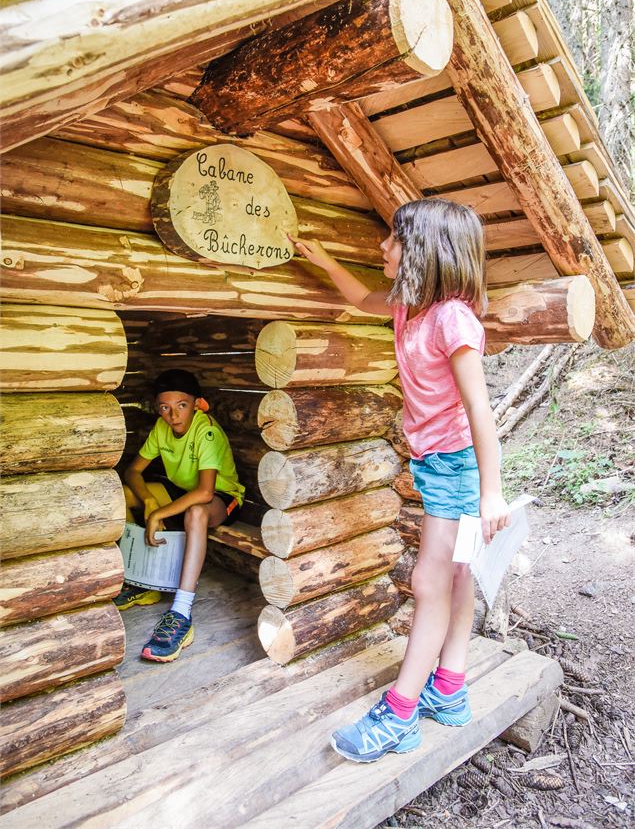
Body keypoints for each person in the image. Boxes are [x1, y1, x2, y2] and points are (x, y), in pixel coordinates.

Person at [291, 198, 510, 763]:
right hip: (437, 462)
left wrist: (491, 492)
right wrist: (321, 262)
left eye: (393, 240)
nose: (381, 248)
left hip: (459, 466)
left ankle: (401, 713)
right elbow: (363, 296)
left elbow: (480, 411)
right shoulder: (407, 302)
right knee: (455, 577)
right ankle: (450, 689)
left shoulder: (452, 318)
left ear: (424, 252)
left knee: (428, 582)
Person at [114, 368, 245, 663]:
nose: (173, 415)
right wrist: (148, 501)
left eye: (181, 406)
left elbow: (205, 493)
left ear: (198, 405)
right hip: (181, 491)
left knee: (196, 513)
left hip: (221, 498)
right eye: (165, 408)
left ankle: (181, 612)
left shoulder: (206, 431)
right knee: (125, 493)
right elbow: (133, 471)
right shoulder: (162, 428)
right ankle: (142, 583)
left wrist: (158, 512)